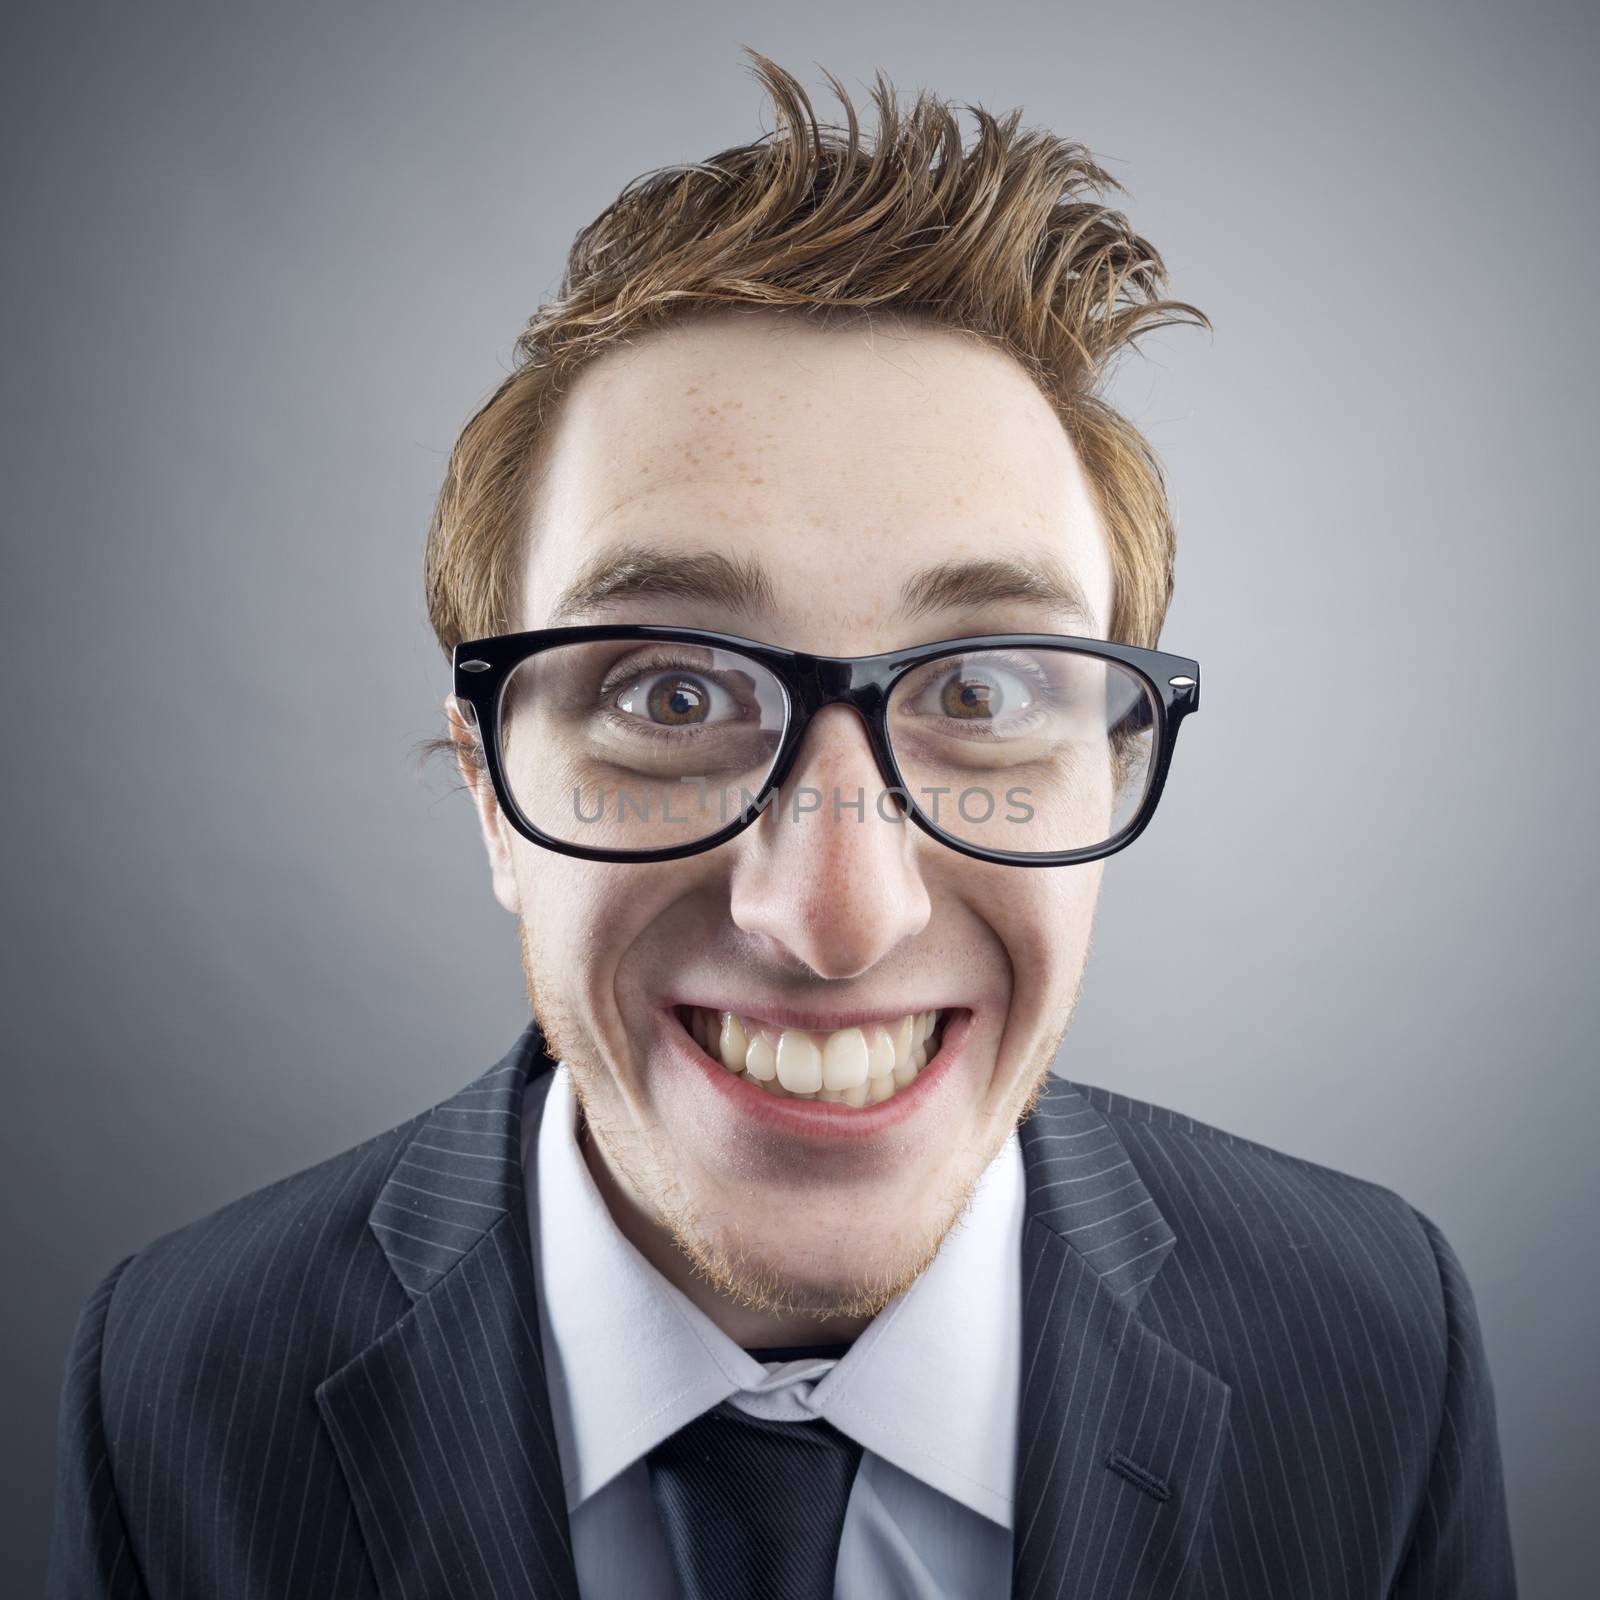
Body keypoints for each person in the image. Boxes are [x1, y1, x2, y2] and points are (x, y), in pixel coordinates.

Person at [47, 49, 1516, 1600]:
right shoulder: (178, 1380)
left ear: (1110, 754)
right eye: (672, 696)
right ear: (491, 788)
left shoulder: (1376, 1338)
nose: (837, 917)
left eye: (988, 689)